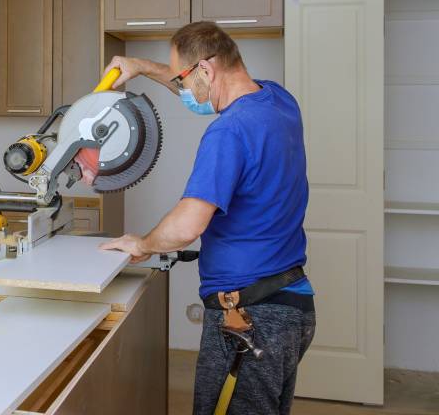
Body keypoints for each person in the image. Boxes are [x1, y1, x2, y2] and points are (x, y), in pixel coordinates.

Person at [97, 21, 316, 415]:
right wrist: (143, 67)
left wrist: (142, 244)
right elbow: (195, 86)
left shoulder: (227, 133)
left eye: (183, 78)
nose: (182, 91)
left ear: (206, 71)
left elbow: (188, 225)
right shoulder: (280, 101)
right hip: (292, 307)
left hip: (249, 318)